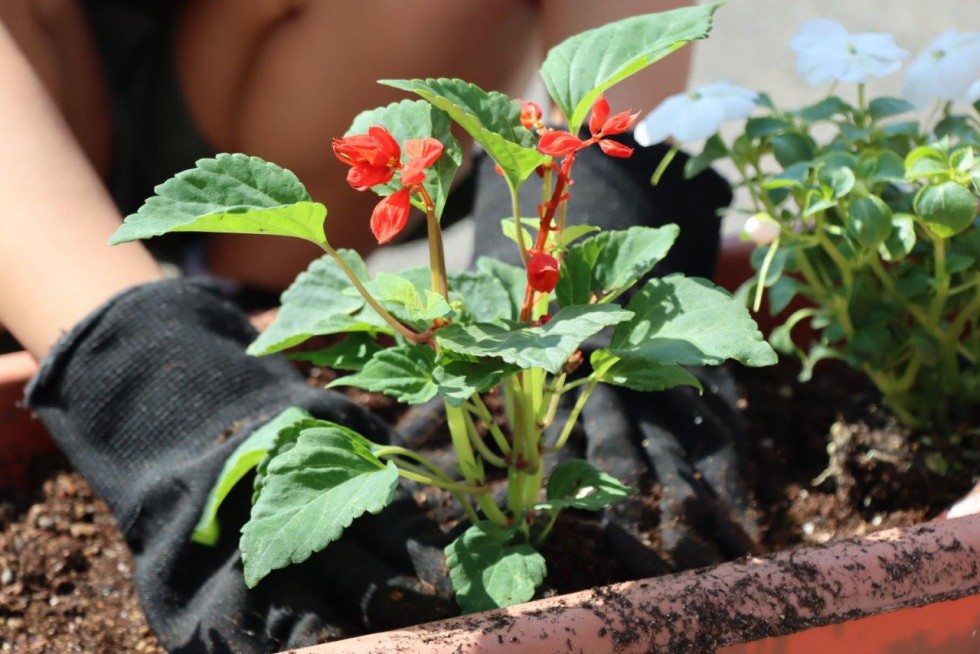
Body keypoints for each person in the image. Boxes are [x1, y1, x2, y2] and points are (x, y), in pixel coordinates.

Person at [1, 2, 754, 652]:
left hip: (218, 63)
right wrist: (149, 375)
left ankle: (244, 280)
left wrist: (592, 220)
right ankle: (93, 296)